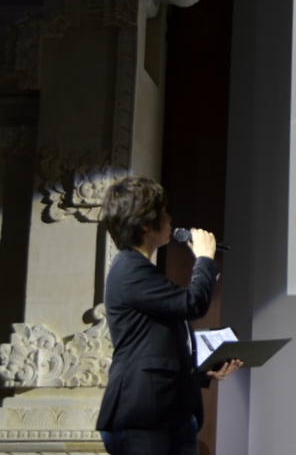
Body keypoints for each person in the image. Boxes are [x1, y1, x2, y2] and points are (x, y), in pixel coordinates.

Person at [96, 176, 242, 455]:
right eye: (164, 212)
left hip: (170, 414)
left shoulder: (140, 270)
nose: (171, 218)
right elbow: (192, 304)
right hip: (143, 417)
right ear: (145, 224)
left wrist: (203, 371)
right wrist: (204, 259)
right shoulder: (130, 270)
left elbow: (157, 345)